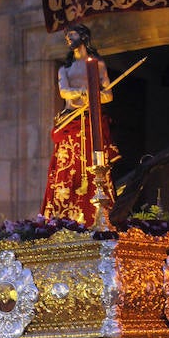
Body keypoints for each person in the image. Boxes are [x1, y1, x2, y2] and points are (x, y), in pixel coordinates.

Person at [41, 24, 118, 226]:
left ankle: (98, 213)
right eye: (66, 36)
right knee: (68, 167)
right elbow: (64, 92)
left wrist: (95, 95)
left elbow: (108, 95)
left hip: (90, 120)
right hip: (71, 119)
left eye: (72, 35)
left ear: (83, 37)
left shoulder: (98, 64)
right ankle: (63, 214)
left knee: (94, 165)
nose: (68, 39)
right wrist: (85, 92)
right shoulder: (64, 69)